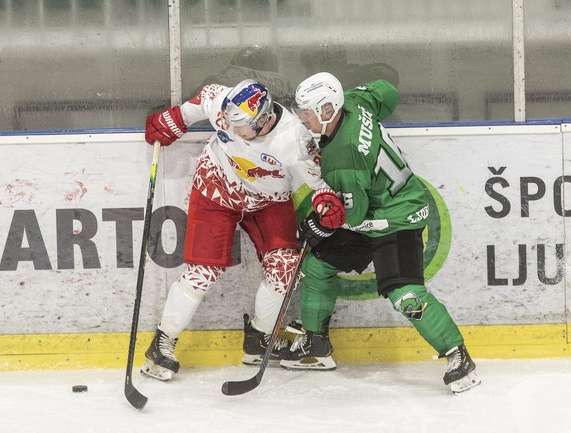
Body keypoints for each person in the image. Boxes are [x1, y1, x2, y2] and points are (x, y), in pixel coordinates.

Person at [279, 72, 481, 394]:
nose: (302, 119)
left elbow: (352, 214)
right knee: (317, 265)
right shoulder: (356, 100)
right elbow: (386, 91)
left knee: (406, 295)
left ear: (328, 110)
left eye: (307, 112)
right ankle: (316, 344)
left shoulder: (342, 156)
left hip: (397, 216)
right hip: (372, 207)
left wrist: (319, 224)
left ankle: (458, 355)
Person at [141, 79, 345, 381]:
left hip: (268, 200)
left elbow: (320, 187)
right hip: (216, 188)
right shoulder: (224, 105)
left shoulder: (295, 142)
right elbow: (203, 98)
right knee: (201, 272)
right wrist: (175, 119)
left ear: (263, 120)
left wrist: (327, 203)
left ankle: (259, 339)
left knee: (285, 269)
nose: (229, 129)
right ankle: (162, 342)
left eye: (242, 128)